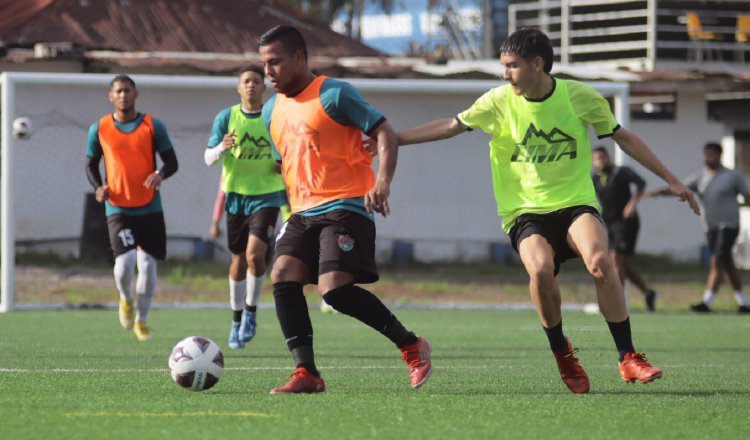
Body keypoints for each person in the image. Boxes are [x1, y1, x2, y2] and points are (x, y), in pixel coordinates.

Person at [396, 28, 699, 393]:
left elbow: (625, 138)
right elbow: (451, 125)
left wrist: (673, 179)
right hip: (525, 212)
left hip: (575, 203)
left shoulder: (579, 98)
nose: (505, 74)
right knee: (540, 270)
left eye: (511, 66)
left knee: (601, 263)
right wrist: (395, 139)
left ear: (537, 64)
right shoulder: (498, 101)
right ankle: (562, 353)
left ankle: (628, 357)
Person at [258, 25, 431, 394]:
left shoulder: (335, 94)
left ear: (299, 58)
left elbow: (384, 132)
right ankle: (307, 373)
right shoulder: (270, 111)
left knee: (333, 290)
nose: (268, 71)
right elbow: (285, 162)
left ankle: (411, 345)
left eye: (275, 62)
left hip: (347, 204)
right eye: (264, 64)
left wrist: (382, 182)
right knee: (282, 275)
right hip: (303, 212)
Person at [85, 74, 179, 341]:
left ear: (136, 94)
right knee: (125, 263)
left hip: (150, 207)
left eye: (128, 90)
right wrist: (98, 187)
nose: (123, 95)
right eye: (118, 91)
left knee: (147, 266)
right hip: (118, 207)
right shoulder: (100, 128)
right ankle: (126, 298)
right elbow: (90, 164)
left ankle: (143, 320)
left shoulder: (152, 126)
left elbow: (172, 162)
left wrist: (160, 173)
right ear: (111, 96)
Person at [205, 65, 288, 349]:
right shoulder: (226, 117)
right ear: (238, 88)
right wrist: (221, 149)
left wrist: (283, 164)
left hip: (267, 195)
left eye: (256, 81)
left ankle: (251, 313)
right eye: (246, 81)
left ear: (263, 87)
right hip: (236, 197)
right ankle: (236, 319)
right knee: (238, 259)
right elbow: (207, 158)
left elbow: (288, 148)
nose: (251, 85)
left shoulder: (272, 116)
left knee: (256, 255)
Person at [652, 142, 750, 313]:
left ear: (720, 156)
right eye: (706, 154)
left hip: (729, 225)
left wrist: (738, 205)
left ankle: (707, 302)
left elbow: (747, 197)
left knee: (717, 260)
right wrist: (659, 192)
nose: (708, 158)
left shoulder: (732, 176)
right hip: (710, 227)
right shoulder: (701, 177)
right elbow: (681, 188)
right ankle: (744, 303)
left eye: (711, 154)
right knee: (726, 263)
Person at [591, 146, 658, 312]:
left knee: (616, 260)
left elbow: (641, 183)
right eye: (597, 159)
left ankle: (616, 302)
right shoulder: (596, 178)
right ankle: (648, 292)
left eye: (603, 157)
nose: (601, 161)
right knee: (623, 265)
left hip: (627, 222)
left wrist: (632, 203)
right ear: (593, 162)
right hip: (610, 223)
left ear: (609, 157)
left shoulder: (621, 172)